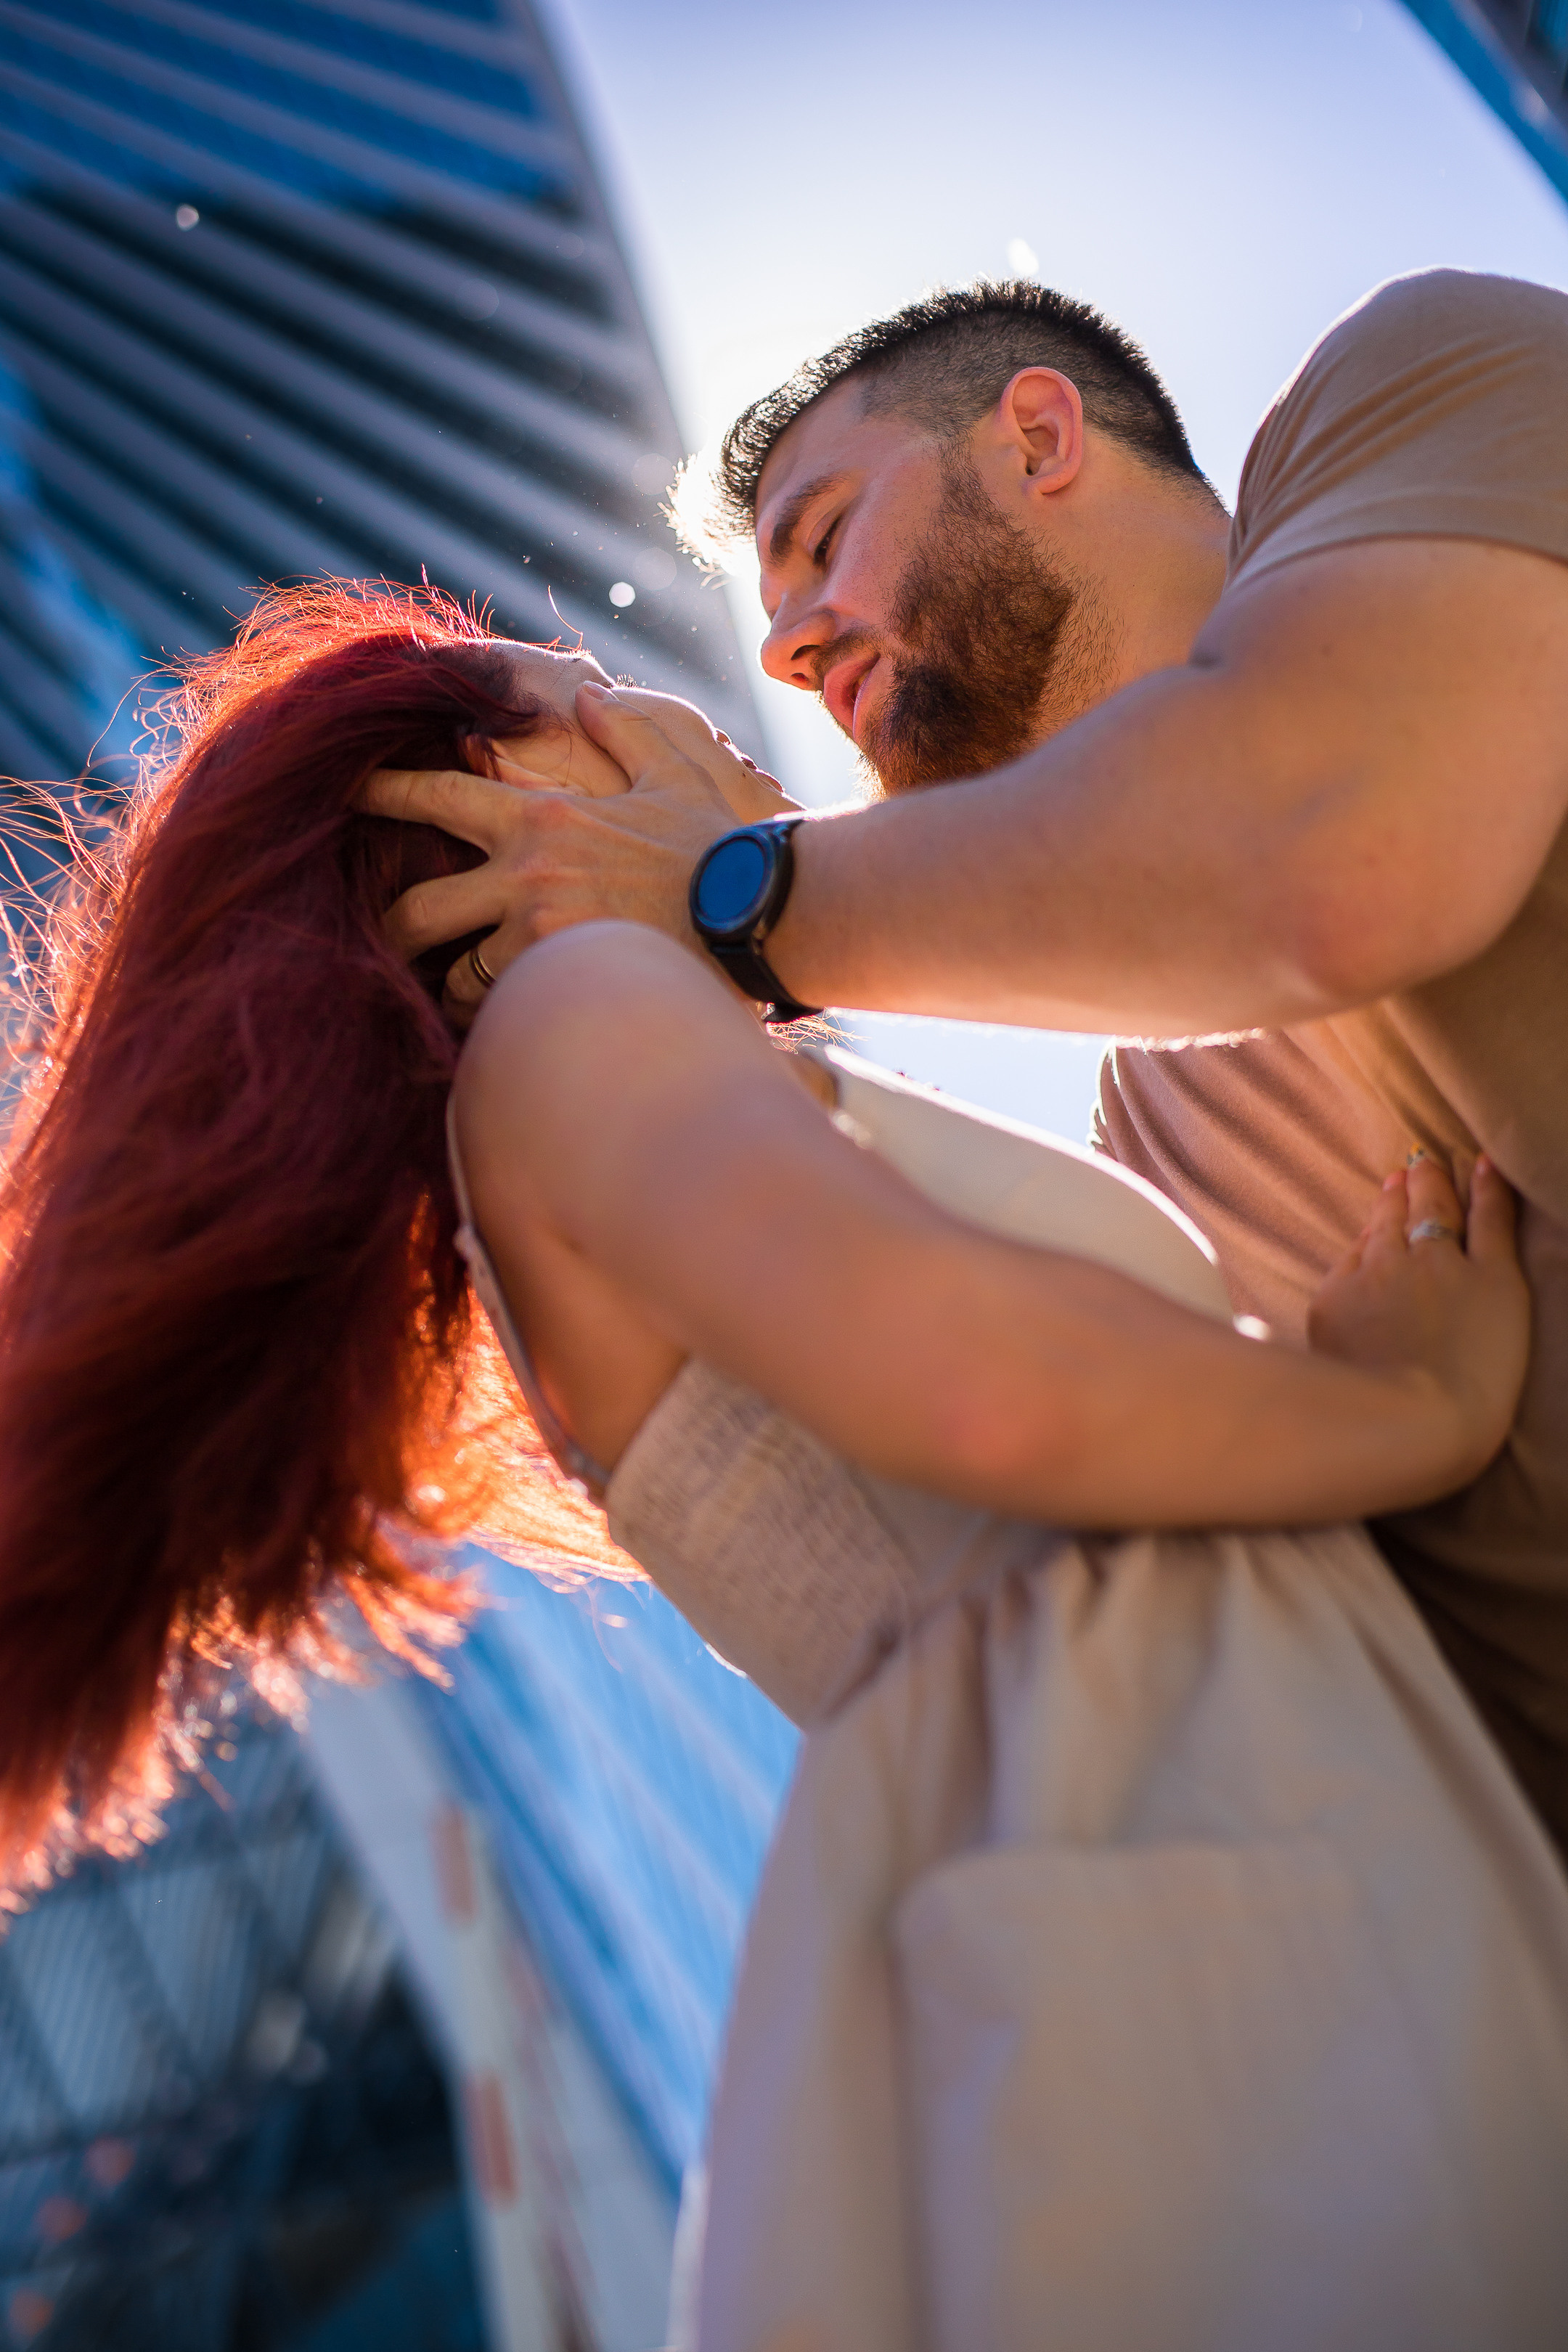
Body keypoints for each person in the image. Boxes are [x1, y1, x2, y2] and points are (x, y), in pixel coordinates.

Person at [2, 582, 1564, 2344]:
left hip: (1170, 1848)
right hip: (1190, 1881)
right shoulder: (579, 1016)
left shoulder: (593, 1098)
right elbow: (979, 1384)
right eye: (590, 691)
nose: (690, 709)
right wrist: (1406, 1411)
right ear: (502, 810)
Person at [365, 268, 1568, 1866]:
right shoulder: (1156, 1143)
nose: (787, 652)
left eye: (820, 534)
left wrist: (743, 894)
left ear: (1042, 435)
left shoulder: (1409, 389)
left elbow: (1323, 848)